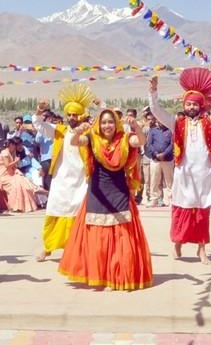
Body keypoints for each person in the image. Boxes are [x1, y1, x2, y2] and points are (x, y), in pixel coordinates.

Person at [149, 68, 211, 263]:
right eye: (188, 104)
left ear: (201, 106)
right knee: (181, 209)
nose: (191, 107)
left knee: (201, 212)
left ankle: (202, 250)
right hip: (183, 174)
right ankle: (177, 244)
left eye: (194, 104)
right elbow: (156, 111)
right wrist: (153, 91)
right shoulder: (176, 123)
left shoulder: (210, 122)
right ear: (184, 105)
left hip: (204, 175)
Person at [59, 108, 152, 290]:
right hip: (97, 193)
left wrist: (136, 127)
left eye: (110, 122)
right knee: (98, 238)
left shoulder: (124, 139)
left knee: (121, 237)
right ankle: (101, 276)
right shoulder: (92, 138)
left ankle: (116, 277)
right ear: (99, 124)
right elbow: (75, 142)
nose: (107, 125)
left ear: (116, 123)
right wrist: (78, 131)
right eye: (103, 122)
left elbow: (141, 140)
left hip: (119, 192)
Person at [32, 85, 93, 262]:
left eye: (76, 115)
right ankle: (48, 248)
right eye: (70, 115)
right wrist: (39, 111)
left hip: (81, 181)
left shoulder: (88, 133)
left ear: (81, 115)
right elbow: (38, 124)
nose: (72, 118)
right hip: (60, 181)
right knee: (55, 211)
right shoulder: (59, 130)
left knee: (77, 215)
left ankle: (78, 248)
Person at [0, 137, 40, 212]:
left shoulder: (12, 153)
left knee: (21, 180)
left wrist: (16, 162)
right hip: (3, 176)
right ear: (11, 145)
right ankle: (37, 190)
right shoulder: (5, 153)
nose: (15, 147)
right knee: (18, 183)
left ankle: (25, 203)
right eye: (14, 145)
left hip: (10, 174)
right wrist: (16, 161)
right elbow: (7, 165)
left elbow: (15, 165)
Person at [145, 118, 174, 207]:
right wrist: (156, 154)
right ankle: (154, 200)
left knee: (170, 181)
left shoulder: (171, 131)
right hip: (155, 159)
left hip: (167, 159)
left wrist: (164, 154)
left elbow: (172, 144)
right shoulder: (153, 131)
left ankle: (171, 200)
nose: (161, 122)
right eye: (159, 121)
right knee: (154, 180)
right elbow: (149, 144)